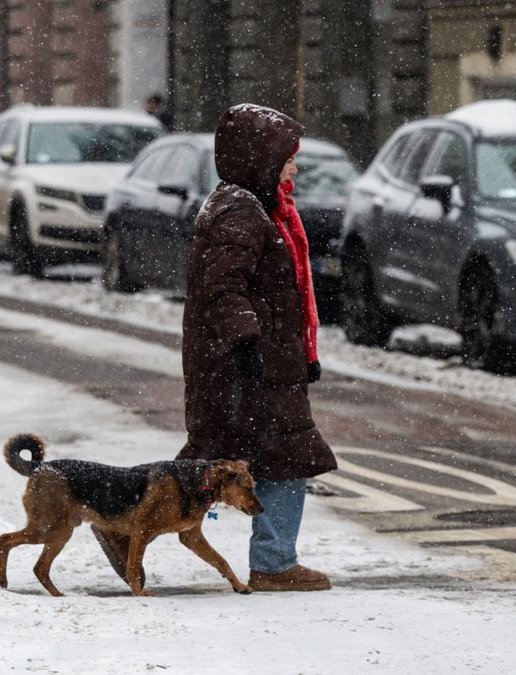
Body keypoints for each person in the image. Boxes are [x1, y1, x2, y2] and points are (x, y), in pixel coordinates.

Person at [176, 103, 337, 592]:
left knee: (233, 455)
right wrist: (247, 342)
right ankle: (273, 563)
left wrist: (300, 355)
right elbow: (223, 286)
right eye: (288, 157)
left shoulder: (255, 206)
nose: (295, 166)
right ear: (261, 158)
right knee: (280, 454)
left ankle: (128, 521)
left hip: (262, 361)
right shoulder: (241, 212)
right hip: (247, 364)